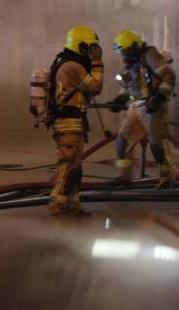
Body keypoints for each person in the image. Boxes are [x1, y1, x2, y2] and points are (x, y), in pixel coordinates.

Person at [44, 25, 104, 215]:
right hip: (68, 121)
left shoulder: (65, 61)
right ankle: (58, 202)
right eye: (91, 47)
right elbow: (95, 86)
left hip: (72, 121)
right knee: (68, 164)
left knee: (75, 166)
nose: (93, 51)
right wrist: (97, 63)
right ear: (82, 47)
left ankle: (72, 204)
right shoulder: (73, 66)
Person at [108, 29, 177, 187]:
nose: (122, 56)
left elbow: (169, 76)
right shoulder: (131, 63)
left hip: (152, 106)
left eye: (124, 52)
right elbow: (130, 86)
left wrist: (158, 98)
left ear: (132, 48)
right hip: (135, 105)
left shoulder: (150, 56)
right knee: (122, 139)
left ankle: (166, 178)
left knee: (155, 143)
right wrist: (120, 99)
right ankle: (124, 175)